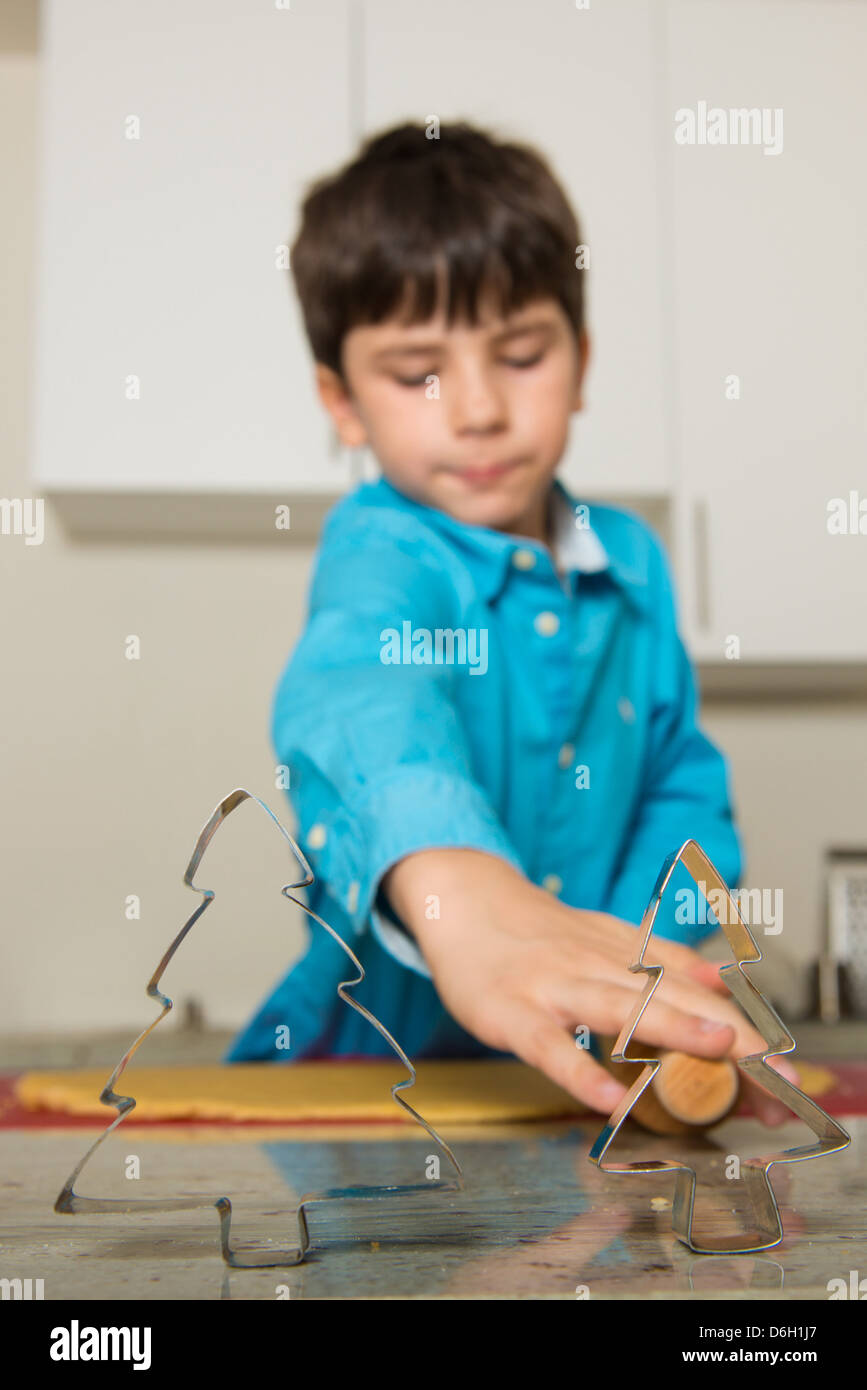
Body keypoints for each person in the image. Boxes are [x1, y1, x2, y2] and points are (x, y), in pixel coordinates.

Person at [226, 121, 795, 1124]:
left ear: (580, 362)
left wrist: (614, 960)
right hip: (380, 1074)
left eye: (523, 354)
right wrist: (467, 899)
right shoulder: (384, 552)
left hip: (584, 1081)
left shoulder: (635, 565)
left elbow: (681, 790)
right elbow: (360, 691)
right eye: (417, 375)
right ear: (342, 402)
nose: (479, 407)